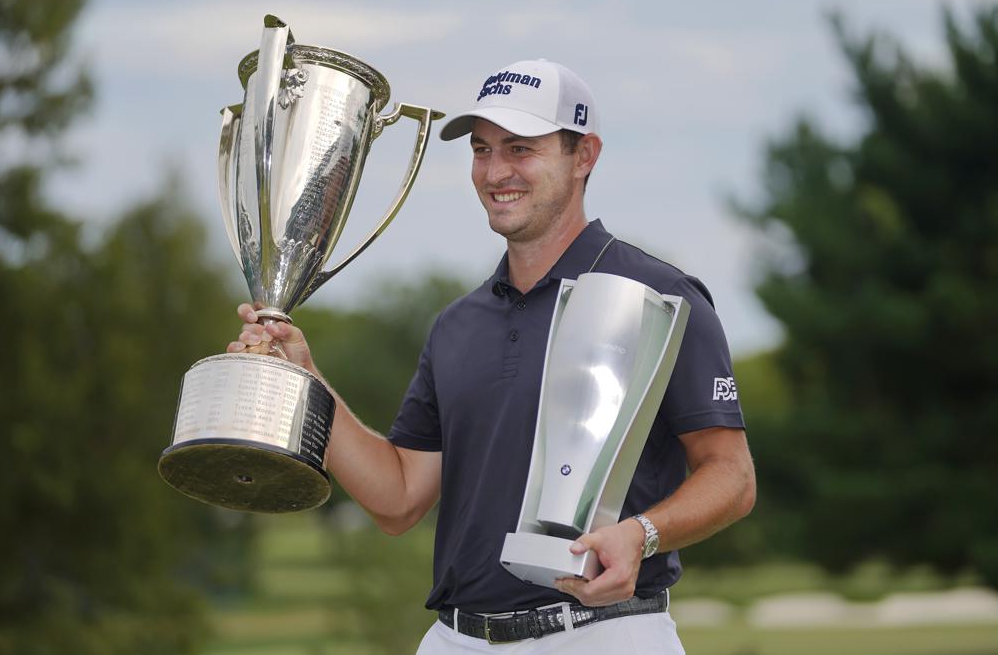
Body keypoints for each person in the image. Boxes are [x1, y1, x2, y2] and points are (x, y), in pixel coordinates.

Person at [229, 59, 755, 653]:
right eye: (481, 150)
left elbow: (732, 477)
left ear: (584, 156)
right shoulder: (457, 325)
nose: (495, 171)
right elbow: (397, 500)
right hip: (456, 640)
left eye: (520, 149)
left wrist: (643, 533)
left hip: (601, 634)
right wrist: (305, 378)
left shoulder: (657, 298)